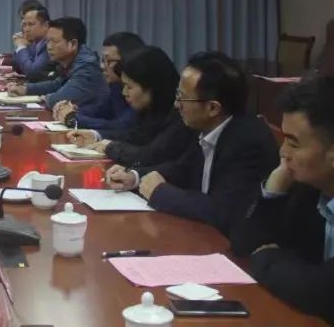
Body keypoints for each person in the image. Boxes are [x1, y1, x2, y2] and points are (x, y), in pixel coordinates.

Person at [230, 78, 334, 327]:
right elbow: (244, 243)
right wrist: (273, 190)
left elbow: (323, 293)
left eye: (293, 143)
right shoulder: (309, 183)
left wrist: (268, 256)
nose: (283, 152)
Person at [106, 51, 278, 235]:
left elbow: (224, 212)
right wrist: (134, 177)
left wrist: (160, 192)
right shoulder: (206, 125)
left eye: (183, 98)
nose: (176, 104)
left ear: (212, 108)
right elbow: (182, 168)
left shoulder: (247, 142)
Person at [66, 46, 195, 170]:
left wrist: (110, 147)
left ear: (151, 87)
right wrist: (96, 136)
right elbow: (133, 136)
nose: (124, 92)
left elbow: (149, 156)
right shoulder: (151, 109)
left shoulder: (181, 116)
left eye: (130, 87)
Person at [52, 32, 145, 135]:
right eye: (102, 60)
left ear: (127, 60)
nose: (102, 66)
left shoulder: (141, 89)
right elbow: (98, 110)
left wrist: (74, 118)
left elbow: (122, 126)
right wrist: (71, 111)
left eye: (108, 61)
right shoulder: (116, 86)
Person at [9, 17, 105, 110]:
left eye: (54, 41)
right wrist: (25, 89)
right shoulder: (72, 61)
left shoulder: (87, 68)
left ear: (73, 44)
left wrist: (47, 98)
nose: (49, 47)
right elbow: (57, 84)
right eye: (48, 41)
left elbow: (58, 100)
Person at [11, 6, 54, 82]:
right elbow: (17, 66)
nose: (26, 29)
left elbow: (32, 73)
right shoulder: (35, 43)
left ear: (46, 25)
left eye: (31, 24)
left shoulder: (50, 44)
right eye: (24, 25)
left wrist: (21, 47)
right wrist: (23, 47)